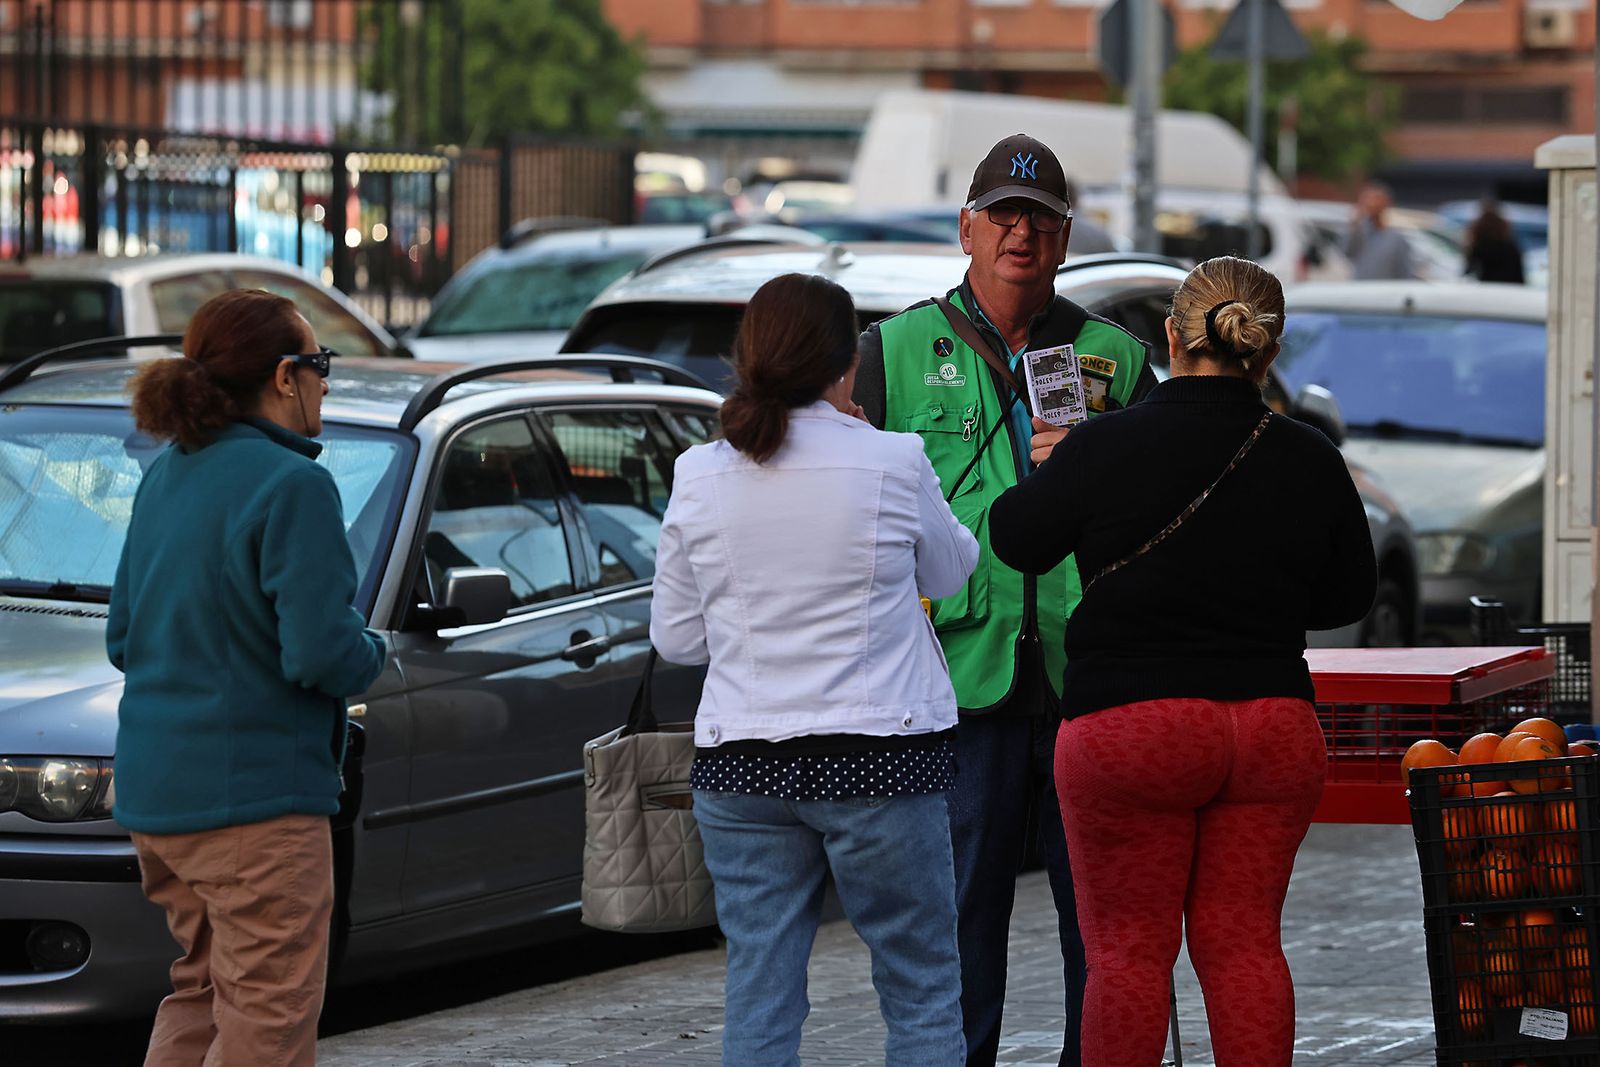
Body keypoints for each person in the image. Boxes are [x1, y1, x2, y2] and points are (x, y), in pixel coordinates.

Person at [988, 256, 1377, 1067]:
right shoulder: (1309, 456)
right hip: (1270, 730)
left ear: (1171, 335)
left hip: (1132, 732)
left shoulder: (1102, 447)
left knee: (1128, 954)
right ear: (1267, 351)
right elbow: (1349, 596)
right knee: (1245, 948)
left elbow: (1016, 537)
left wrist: (1056, 466)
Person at [853, 133, 1157, 1067]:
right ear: (967, 230)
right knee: (956, 925)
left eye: (1041, 219)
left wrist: (1094, 475)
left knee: (1101, 934)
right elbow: (861, 519)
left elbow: (1156, 522)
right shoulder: (894, 349)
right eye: (1003, 215)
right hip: (954, 683)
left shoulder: (1118, 359)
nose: (1020, 234)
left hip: (1086, 684)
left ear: (1065, 240)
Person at [651, 272, 978, 1067]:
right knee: (921, 986)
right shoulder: (892, 461)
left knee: (760, 986)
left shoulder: (700, 473)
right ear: (846, 364)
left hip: (742, 765)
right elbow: (952, 573)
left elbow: (678, 639)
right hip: (881, 760)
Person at [107, 289, 385, 1066]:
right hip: (255, 807)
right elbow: (324, 654)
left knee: (199, 991)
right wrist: (378, 651)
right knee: (269, 1011)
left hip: (159, 799)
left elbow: (122, 636)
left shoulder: (167, 474)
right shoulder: (293, 483)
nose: (327, 382)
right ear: (285, 376)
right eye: (321, 364)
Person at [1343, 181, 1416, 280]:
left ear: (1386, 203)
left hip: (1385, 292)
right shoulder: (1360, 233)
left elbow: (1404, 273)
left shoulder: (1396, 238)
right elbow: (1346, 252)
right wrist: (1355, 224)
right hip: (1359, 291)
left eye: (1376, 199)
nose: (1371, 203)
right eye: (1366, 198)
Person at [1464, 199, 1525, 284]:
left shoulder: (1480, 247)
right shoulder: (1509, 246)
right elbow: (1519, 272)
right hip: (1510, 286)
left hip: (1489, 286)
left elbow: (1469, 270)